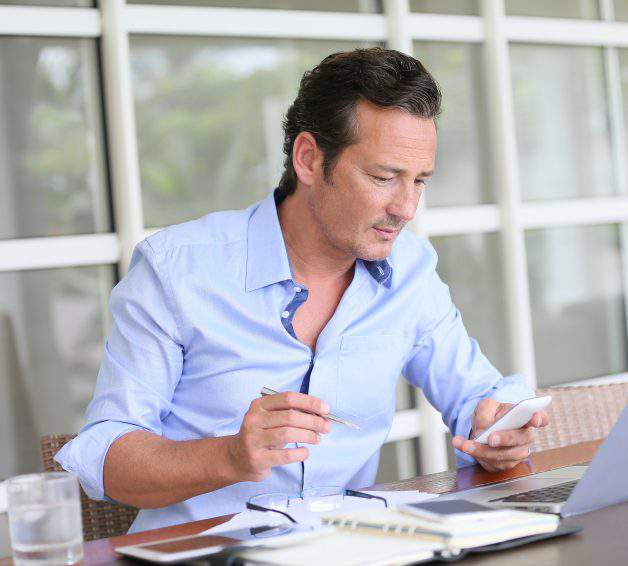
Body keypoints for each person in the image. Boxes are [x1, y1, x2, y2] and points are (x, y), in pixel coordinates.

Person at [55, 47, 549, 532]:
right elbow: (105, 456)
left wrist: (498, 427)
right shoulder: (176, 272)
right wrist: (229, 456)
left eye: (419, 181)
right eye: (384, 177)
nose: (406, 207)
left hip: (347, 547)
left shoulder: (411, 269)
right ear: (310, 159)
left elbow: (478, 398)